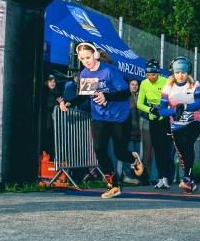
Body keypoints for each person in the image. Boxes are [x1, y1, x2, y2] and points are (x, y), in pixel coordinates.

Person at [60, 42, 143, 198]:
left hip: (120, 116)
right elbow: (84, 94)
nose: (86, 61)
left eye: (88, 57)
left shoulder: (109, 71)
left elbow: (125, 93)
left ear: (95, 55)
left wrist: (106, 96)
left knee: (119, 153)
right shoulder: (85, 74)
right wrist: (69, 102)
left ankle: (132, 159)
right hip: (99, 116)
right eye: (83, 59)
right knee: (99, 149)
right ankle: (113, 185)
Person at [158, 56, 200, 194]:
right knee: (183, 153)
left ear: (188, 72)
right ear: (173, 72)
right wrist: (174, 111)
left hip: (193, 121)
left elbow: (199, 103)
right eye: (177, 72)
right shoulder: (167, 87)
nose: (180, 76)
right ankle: (190, 181)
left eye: (183, 72)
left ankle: (187, 178)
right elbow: (162, 110)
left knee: (188, 143)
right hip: (176, 125)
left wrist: (184, 106)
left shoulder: (194, 84)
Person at [137, 60, 171, 188]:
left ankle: (166, 177)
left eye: (154, 75)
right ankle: (160, 178)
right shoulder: (144, 83)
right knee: (156, 148)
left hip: (165, 118)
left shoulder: (165, 81)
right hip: (153, 118)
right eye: (148, 75)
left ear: (158, 73)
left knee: (165, 149)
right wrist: (150, 110)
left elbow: (171, 99)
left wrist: (162, 111)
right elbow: (140, 103)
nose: (151, 77)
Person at [123, 79, 143, 185]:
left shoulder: (139, 97)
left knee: (137, 156)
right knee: (129, 154)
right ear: (129, 85)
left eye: (136, 85)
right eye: (132, 84)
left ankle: (135, 175)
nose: (135, 86)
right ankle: (127, 175)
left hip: (137, 131)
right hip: (128, 130)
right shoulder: (127, 97)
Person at [41, 74, 62, 156]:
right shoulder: (44, 92)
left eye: (54, 81)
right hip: (46, 120)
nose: (52, 83)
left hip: (53, 121)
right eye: (50, 81)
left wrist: (61, 104)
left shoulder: (58, 93)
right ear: (46, 82)